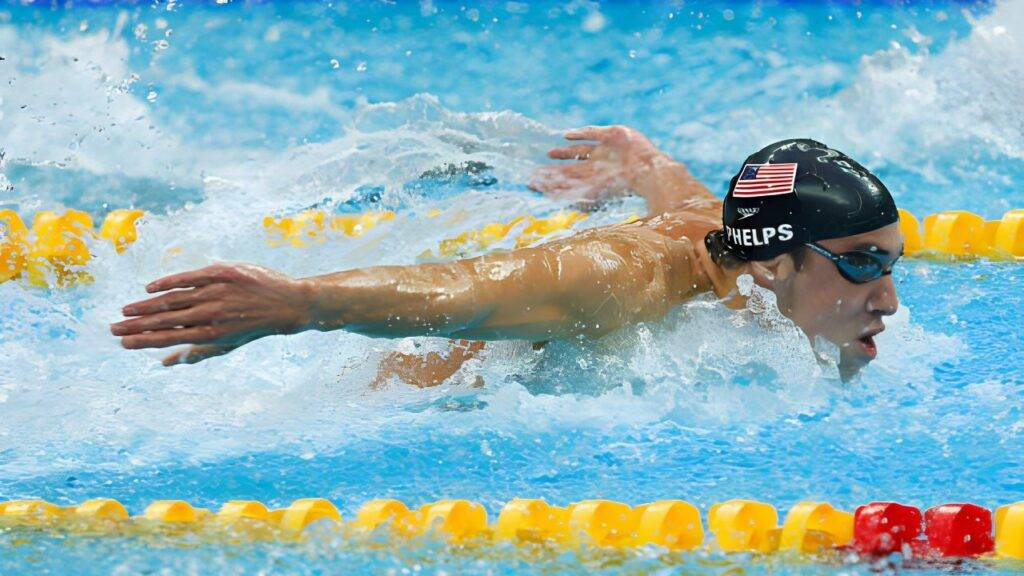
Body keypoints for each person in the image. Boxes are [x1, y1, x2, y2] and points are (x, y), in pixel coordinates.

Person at [110, 126, 902, 379]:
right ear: (774, 261)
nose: (890, 299)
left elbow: (686, 195)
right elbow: (471, 287)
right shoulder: (625, 277)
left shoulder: (729, 238)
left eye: (892, 262)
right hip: (404, 399)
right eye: (863, 263)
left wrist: (641, 164)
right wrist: (305, 304)